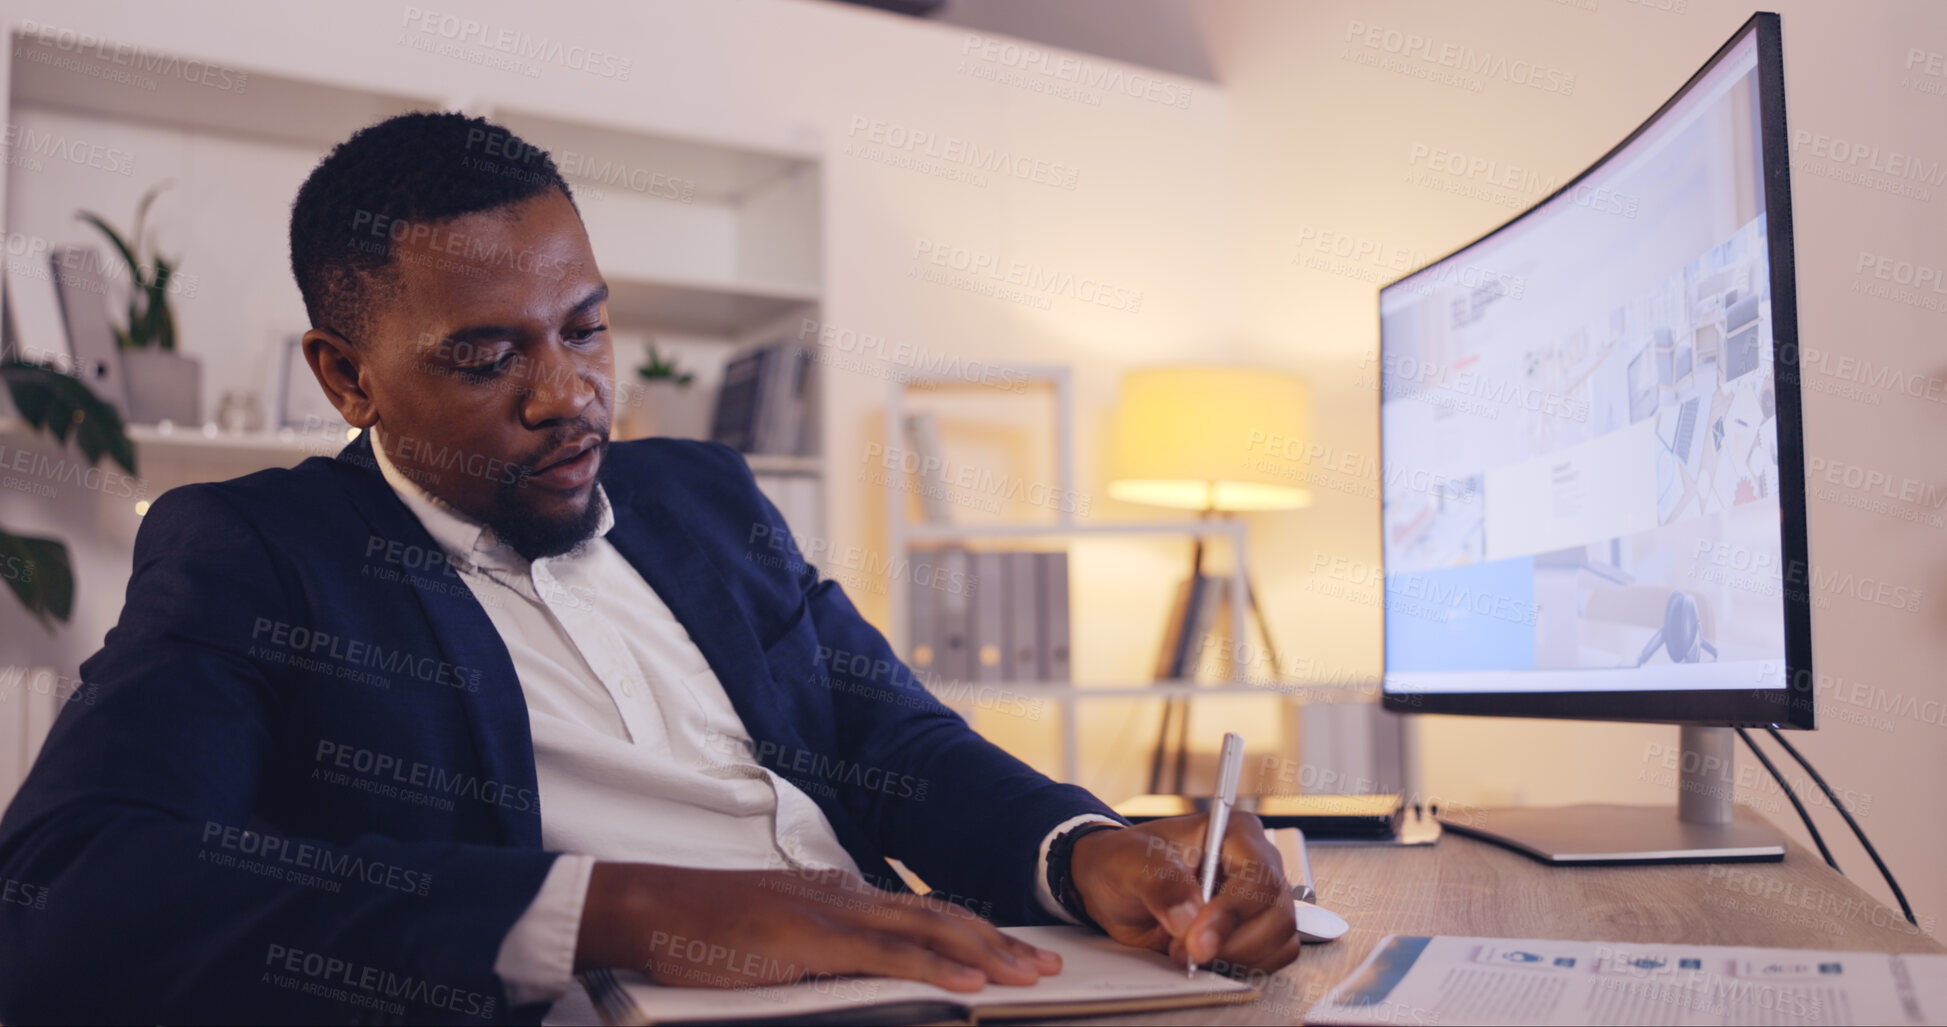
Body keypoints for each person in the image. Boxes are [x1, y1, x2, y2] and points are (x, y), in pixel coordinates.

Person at [0, 112, 1299, 1024]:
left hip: (939, 993)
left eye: (587, 327)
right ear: (346, 375)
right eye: (487, 356)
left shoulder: (700, 497)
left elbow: (896, 743)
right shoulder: (259, 554)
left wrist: (1085, 853)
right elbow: (66, 893)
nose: (570, 397)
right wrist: (614, 910)